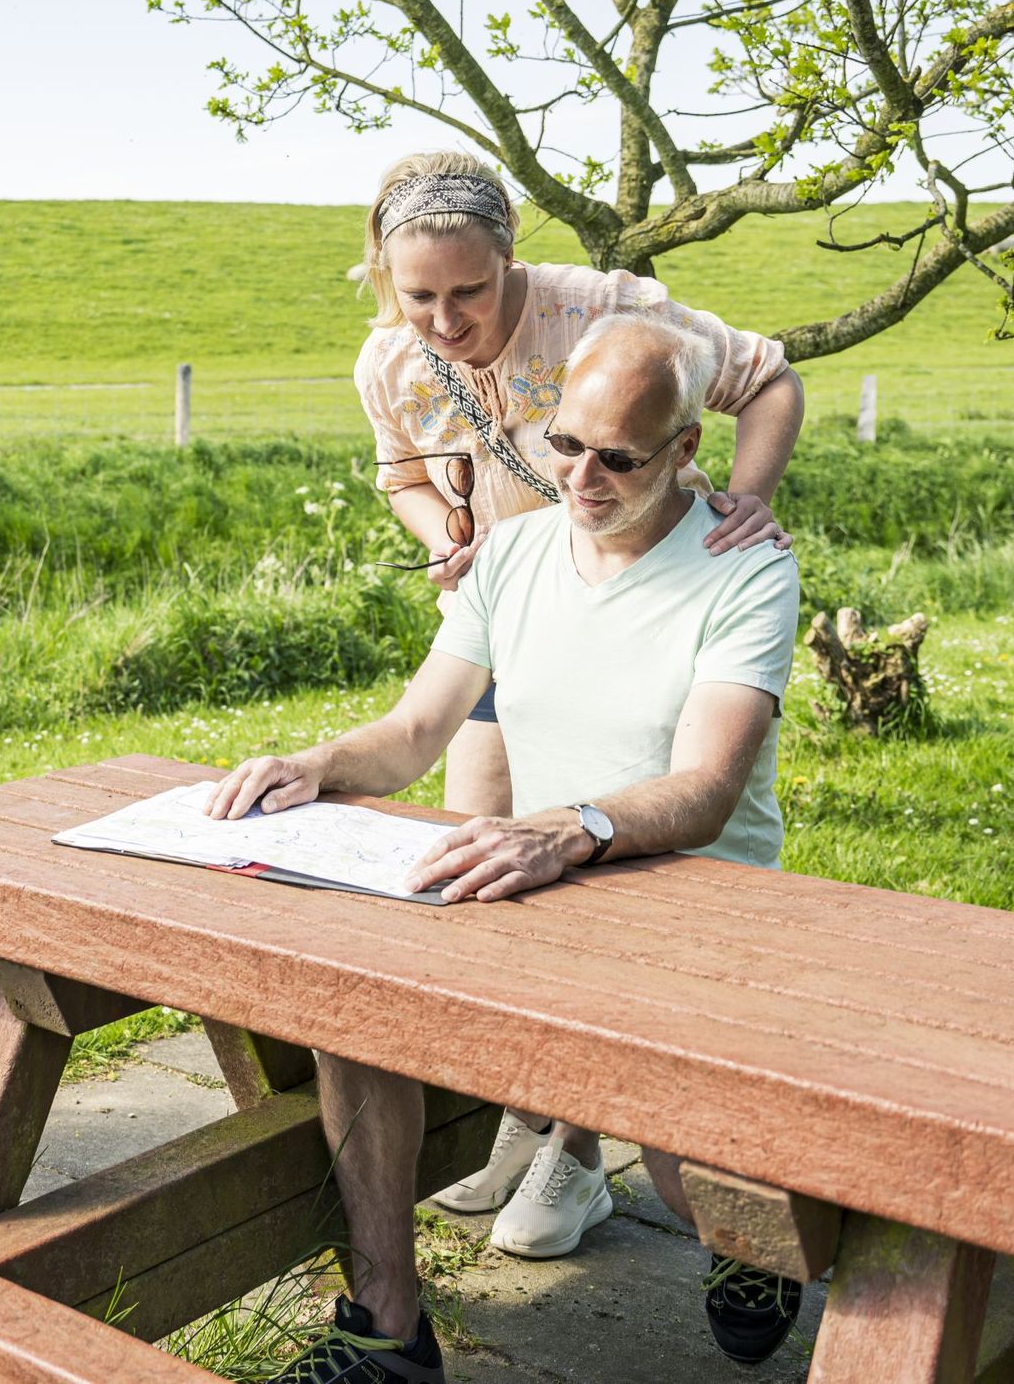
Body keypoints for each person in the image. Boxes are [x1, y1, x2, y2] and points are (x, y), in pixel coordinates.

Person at [208, 315, 807, 1382]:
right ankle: (387, 1328)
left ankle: (755, 1238)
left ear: (684, 453)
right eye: (564, 444)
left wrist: (567, 828)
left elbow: (709, 790)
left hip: (695, 902)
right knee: (351, 1012)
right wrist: (316, 762)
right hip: (540, 891)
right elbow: (413, 733)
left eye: (617, 458)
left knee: (700, 1181)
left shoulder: (742, 565)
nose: (579, 476)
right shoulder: (517, 550)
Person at [350, 150, 803, 830]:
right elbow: (406, 478)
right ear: (391, 278)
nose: (445, 322)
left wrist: (749, 497)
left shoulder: (600, 308)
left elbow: (768, 379)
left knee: (633, 826)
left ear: (507, 255)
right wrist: (459, 542)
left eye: (469, 291)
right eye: (420, 297)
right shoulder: (387, 364)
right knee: (474, 841)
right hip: (503, 615)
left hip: (646, 596)